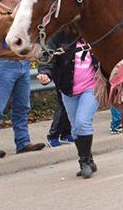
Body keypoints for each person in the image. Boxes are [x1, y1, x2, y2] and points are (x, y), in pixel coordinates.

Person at [0, 0, 46, 159]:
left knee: (22, 106)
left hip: (22, 64)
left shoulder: (22, 13)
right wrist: (11, 17)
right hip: (4, 65)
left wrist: (33, 49)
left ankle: (23, 142)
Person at [41, 28, 100, 178]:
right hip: (68, 89)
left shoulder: (94, 33)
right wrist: (45, 72)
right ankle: (90, 159)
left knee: (82, 122)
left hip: (92, 87)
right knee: (75, 128)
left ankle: (84, 162)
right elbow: (47, 56)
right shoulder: (59, 37)